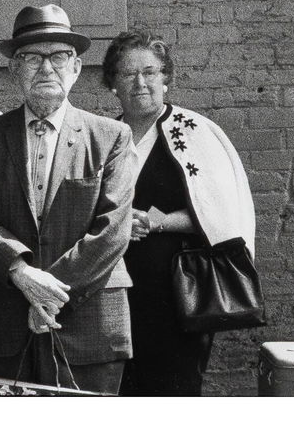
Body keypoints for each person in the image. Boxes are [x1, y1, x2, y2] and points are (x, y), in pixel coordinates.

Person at [0, 4, 134, 395]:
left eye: (58, 56)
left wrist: (50, 295)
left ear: (75, 67)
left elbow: (112, 230)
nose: (46, 68)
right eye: (32, 57)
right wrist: (21, 273)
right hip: (6, 315)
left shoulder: (111, 137)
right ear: (13, 69)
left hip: (88, 318)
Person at [102, 32, 256, 396]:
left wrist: (154, 220)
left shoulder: (194, 131)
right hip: (115, 294)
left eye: (150, 72)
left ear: (166, 79)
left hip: (180, 296)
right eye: (127, 74)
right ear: (112, 84)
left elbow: (219, 210)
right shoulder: (106, 135)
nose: (140, 82)